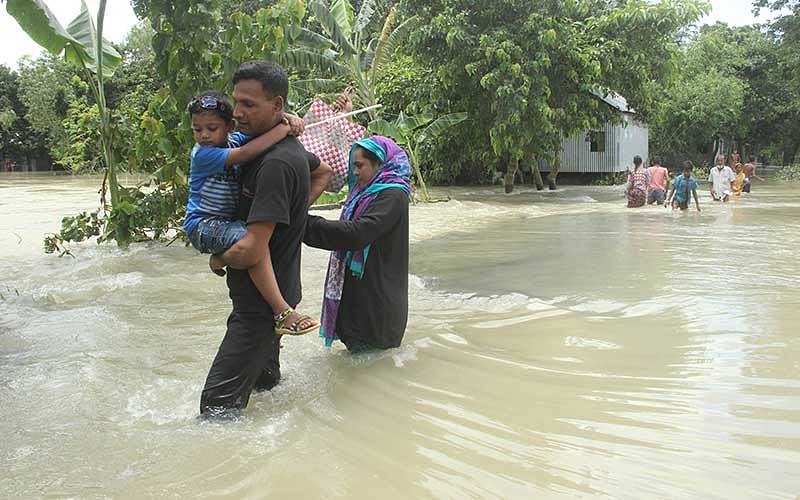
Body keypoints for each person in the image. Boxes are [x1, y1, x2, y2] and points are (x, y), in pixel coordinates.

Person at [200, 60, 333, 416]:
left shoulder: (275, 163)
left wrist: (218, 257)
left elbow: (250, 250)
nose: (238, 113)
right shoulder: (284, 150)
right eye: (236, 102)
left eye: (249, 105)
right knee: (265, 387)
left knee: (216, 408)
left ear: (278, 106)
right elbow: (324, 172)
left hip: (260, 309)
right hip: (281, 295)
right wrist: (286, 215)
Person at [183, 90, 319, 337]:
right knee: (255, 244)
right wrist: (283, 130)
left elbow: (261, 127)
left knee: (252, 240)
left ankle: (221, 257)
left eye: (211, 128)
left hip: (224, 223)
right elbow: (247, 154)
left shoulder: (234, 139)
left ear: (230, 127)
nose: (203, 135)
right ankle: (282, 312)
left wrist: (287, 117)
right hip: (203, 225)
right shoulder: (202, 154)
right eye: (197, 129)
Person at [304, 136, 411, 353]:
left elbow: (358, 233)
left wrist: (303, 225)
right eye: (354, 165)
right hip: (361, 304)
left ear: (380, 163)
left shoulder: (392, 195)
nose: (355, 172)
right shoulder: (364, 194)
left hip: (376, 309)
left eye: (360, 165)